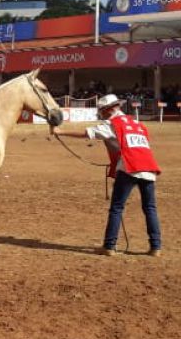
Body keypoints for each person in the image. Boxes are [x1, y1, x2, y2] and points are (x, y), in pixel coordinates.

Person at [55, 93, 161, 256]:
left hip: (129, 167)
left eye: (102, 110)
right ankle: (156, 247)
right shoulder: (137, 124)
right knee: (150, 208)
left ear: (109, 110)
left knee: (117, 208)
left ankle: (109, 246)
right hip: (149, 167)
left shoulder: (112, 123)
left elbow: (86, 133)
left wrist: (60, 132)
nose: (101, 113)